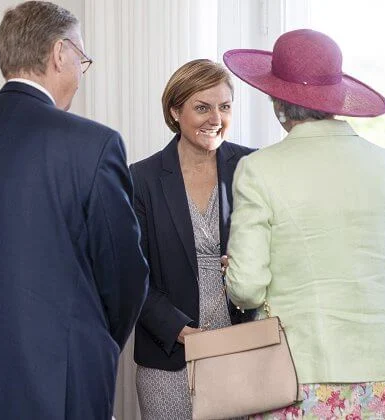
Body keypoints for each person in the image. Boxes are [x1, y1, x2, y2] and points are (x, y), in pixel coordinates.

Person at [0, 1, 148, 419]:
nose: (80, 74)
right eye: (82, 59)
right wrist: (88, 339)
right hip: (56, 382)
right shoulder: (94, 145)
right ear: (60, 53)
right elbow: (125, 275)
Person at [223, 29, 385, 418]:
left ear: (277, 100)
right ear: (335, 97)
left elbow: (247, 288)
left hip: (301, 372)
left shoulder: (258, 169)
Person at [130, 59, 256, 419]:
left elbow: (285, 250)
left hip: (244, 351)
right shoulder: (141, 179)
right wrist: (179, 330)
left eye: (224, 106)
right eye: (202, 107)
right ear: (175, 110)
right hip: (169, 359)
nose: (215, 118)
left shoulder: (253, 167)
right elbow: (129, 273)